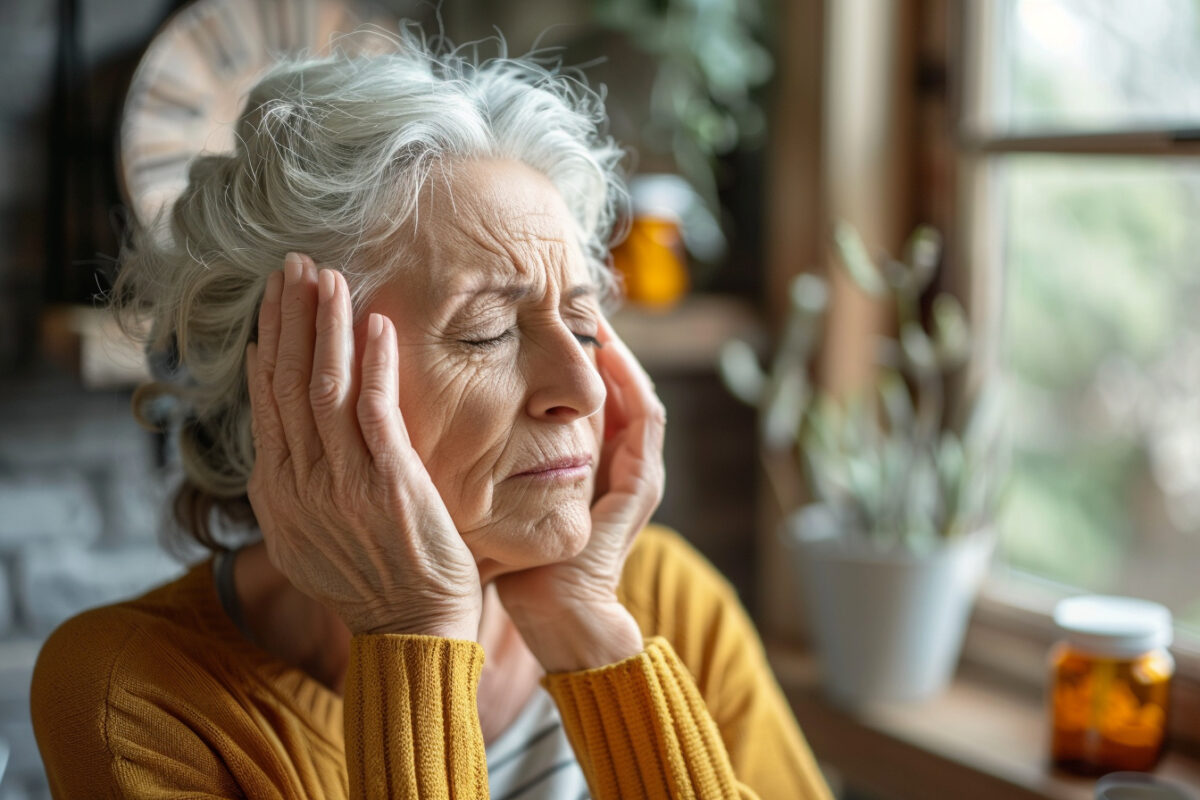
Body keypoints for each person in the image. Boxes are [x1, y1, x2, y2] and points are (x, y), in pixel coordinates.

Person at [31, 29, 833, 800]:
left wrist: (592, 639)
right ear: (294, 376)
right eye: (487, 332)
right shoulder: (137, 694)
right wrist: (411, 633)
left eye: (584, 327)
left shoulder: (663, 605)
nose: (583, 390)